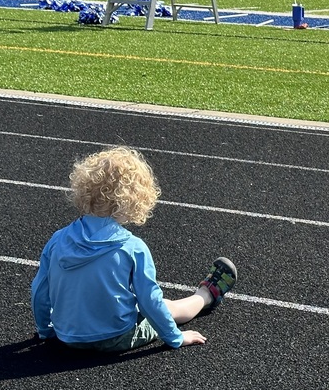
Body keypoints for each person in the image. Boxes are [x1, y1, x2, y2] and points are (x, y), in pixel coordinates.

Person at [31, 146, 239, 352]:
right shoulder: (132, 248)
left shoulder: (58, 239)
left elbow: (39, 291)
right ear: (133, 200)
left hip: (68, 337)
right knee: (167, 307)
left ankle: (203, 296)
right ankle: (205, 295)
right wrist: (176, 338)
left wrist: (46, 331)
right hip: (115, 336)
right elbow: (150, 301)